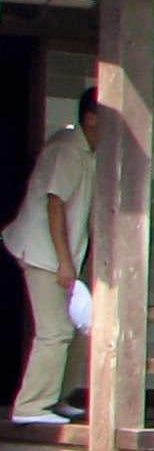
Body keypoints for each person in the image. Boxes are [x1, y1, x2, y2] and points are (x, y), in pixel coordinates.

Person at [4, 88, 98, 425]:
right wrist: (65, 262)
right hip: (44, 254)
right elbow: (54, 205)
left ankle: (58, 398)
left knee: (77, 327)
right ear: (90, 118)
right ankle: (31, 406)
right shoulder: (69, 150)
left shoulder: (87, 150)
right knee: (55, 330)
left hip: (60, 255)